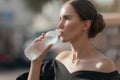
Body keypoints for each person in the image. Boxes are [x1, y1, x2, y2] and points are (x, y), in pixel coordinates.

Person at [17, 0, 120, 80]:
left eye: (66, 18)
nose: (59, 25)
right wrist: (36, 62)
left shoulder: (103, 65)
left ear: (85, 24)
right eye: (60, 19)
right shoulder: (60, 59)